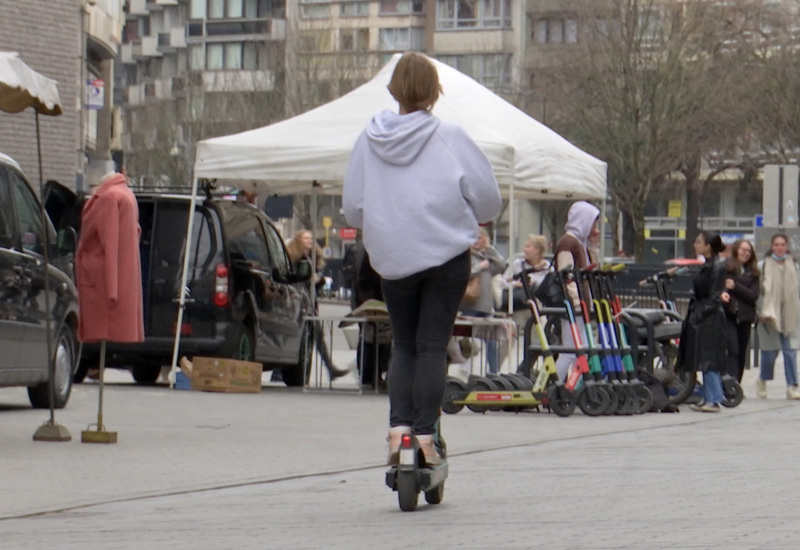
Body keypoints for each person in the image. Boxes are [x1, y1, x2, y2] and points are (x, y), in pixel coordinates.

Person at [343, 51, 501, 465]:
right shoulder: (450, 136)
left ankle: (398, 433)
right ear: (435, 92)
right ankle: (426, 439)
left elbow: (353, 209)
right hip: (445, 257)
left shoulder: (369, 137)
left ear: (394, 89)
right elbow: (488, 200)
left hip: (393, 258)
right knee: (432, 346)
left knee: (404, 346)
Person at [285, 230, 349, 381]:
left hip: (310, 302)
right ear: (298, 240)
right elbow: (296, 280)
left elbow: (313, 286)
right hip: (300, 301)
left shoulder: (312, 257)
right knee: (313, 336)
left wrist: (319, 281)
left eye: (310, 238)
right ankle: (330, 368)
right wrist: (310, 280)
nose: (309, 241)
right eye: (305, 238)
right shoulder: (295, 258)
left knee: (316, 336)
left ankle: (330, 368)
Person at [677, 231, 729, 412]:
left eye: (698, 241)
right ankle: (709, 395)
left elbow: (714, 297)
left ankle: (714, 398)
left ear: (708, 246)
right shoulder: (709, 265)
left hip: (710, 318)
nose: (695, 244)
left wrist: (698, 314)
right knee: (703, 357)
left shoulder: (717, 266)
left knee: (709, 358)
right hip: (704, 315)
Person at [553, 201, 600, 383]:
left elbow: (592, 268)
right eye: (593, 223)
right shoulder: (568, 243)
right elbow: (567, 276)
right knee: (572, 350)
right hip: (574, 306)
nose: (595, 228)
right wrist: (575, 302)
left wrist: (593, 246)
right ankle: (555, 386)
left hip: (579, 306)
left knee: (580, 349)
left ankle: (569, 386)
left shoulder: (579, 243)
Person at [755, 233, 800, 400]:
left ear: (787, 247)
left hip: (789, 316)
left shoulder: (794, 266)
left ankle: (792, 386)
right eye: (776, 244)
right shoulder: (763, 266)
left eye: (782, 244)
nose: (779, 248)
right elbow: (757, 291)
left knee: (790, 352)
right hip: (769, 316)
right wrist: (761, 311)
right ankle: (762, 380)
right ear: (771, 246)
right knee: (769, 354)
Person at [459, 228, 506, 374]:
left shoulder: (486, 256)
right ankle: (467, 370)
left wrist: (490, 249)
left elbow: (501, 265)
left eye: (481, 238)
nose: (477, 241)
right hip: (469, 305)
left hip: (485, 307)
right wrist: (480, 267)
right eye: (475, 238)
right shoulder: (465, 255)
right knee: (470, 341)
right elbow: (464, 273)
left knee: (491, 342)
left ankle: (493, 372)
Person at [724, 239, 760, 383]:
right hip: (730, 314)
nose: (746, 253)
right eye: (743, 249)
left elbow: (753, 296)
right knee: (732, 350)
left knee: (741, 353)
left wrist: (735, 287)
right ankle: (731, 383)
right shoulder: (727, 268)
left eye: (748, 251)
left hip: (745, 317)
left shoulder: (754, 273)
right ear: (736, 250)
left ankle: (736, 383)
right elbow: (721, 287)